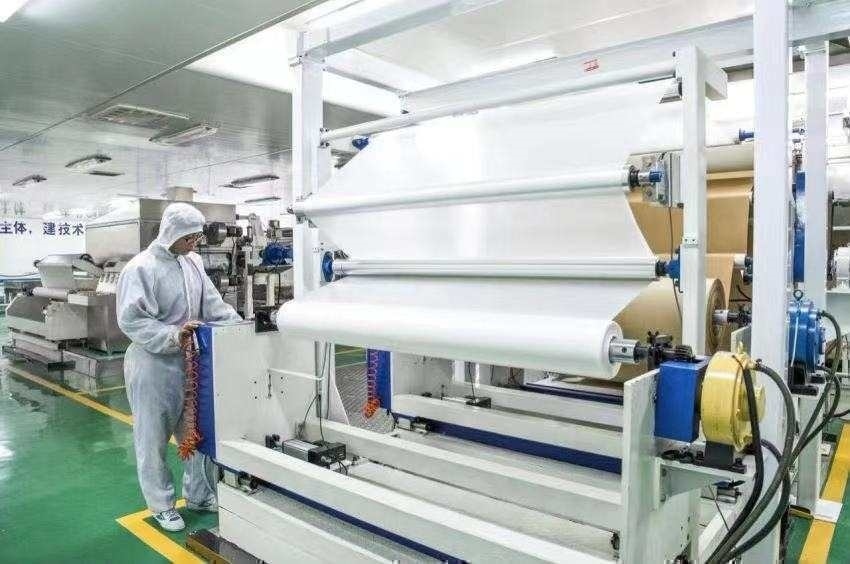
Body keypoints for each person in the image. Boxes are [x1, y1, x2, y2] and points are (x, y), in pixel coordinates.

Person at [117, 202, 242, 532]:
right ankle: (162, 506)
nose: (194, 244)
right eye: (189, 238)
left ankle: (199, 495)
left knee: (196, 432)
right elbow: (131, 320)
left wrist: (242, 326)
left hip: (191, 363)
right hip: (153, 364)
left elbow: (212, 304)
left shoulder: (193, 263)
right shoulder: (140, 268)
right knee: (153, 438)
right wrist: (172, 335)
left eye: (197, 238)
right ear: (171, 233)